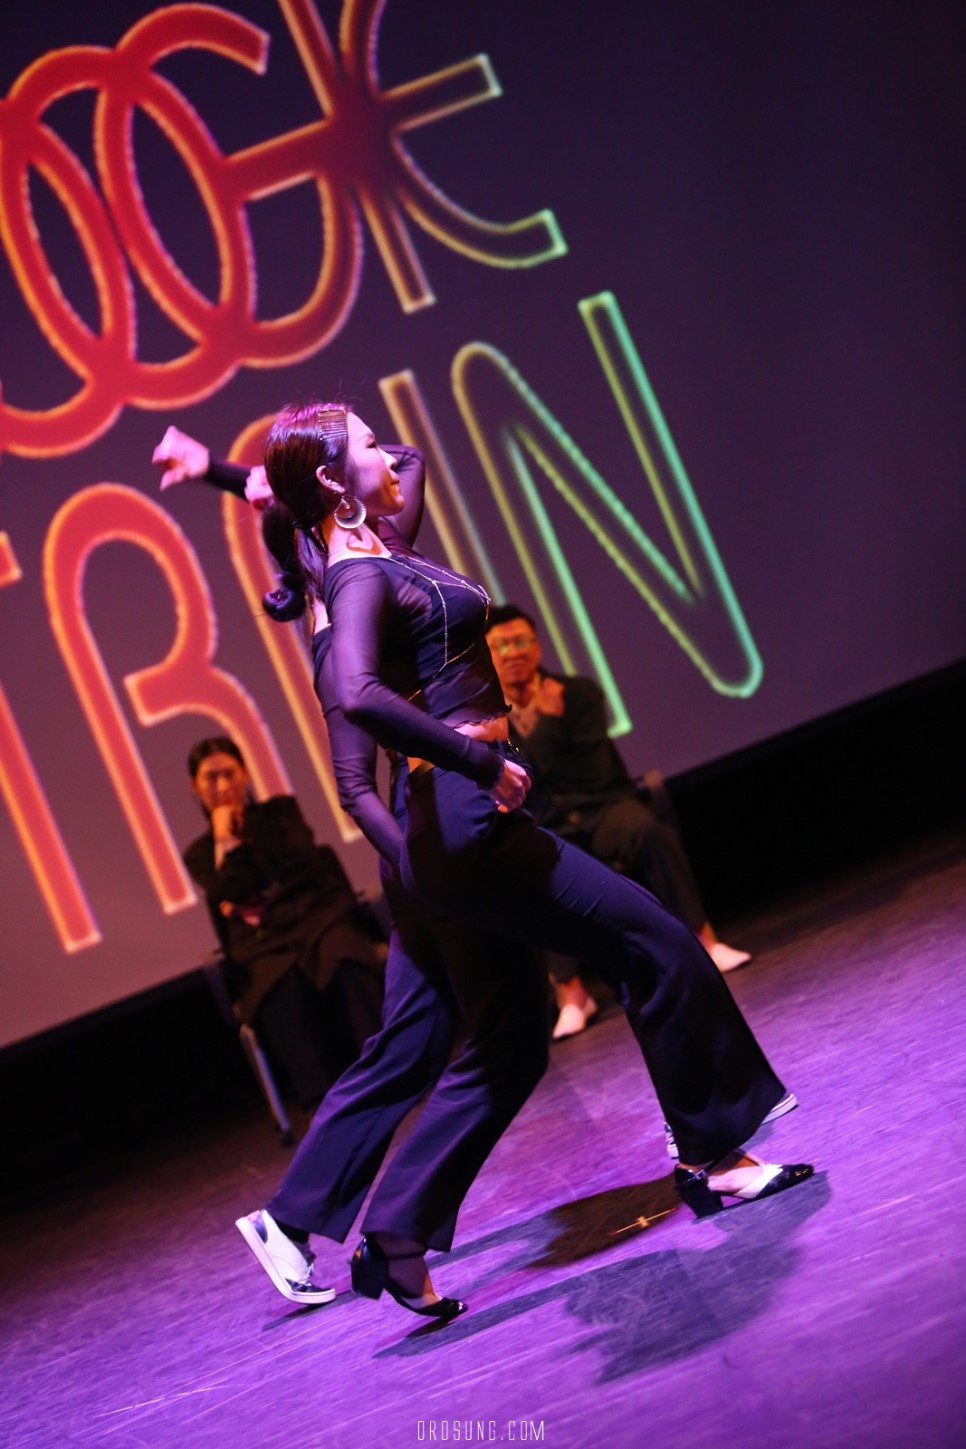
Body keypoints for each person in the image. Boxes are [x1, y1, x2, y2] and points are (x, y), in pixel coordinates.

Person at [251, 399, 813, 1316]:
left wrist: (331, 474)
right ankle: (715, 1155)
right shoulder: (355, 580)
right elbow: (355, 693)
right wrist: (478, 760)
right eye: (363, 441)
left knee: (512, 1038)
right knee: (653, 940)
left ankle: (396, 1232)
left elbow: (409, 461)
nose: (384, 449)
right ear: (328, 482)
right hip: (464, 814)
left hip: (457, 815)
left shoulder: (381, 551)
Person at [155, 426, 543, 1322]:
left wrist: (227, 472)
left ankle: (295, 1220)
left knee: (411, 1039)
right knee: (499, 1034)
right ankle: (369, 1226)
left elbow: (406, 462)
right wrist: (420, 866)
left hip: (426, 849)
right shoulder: (341, 631)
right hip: (423, 847)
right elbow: (354, 789)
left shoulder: (362, 576)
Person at [485, 605, 752, 1039]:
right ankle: (572, 995)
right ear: (486, 653)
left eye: (521, 641)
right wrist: (550, 725)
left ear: (537, 647)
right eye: (500, 645)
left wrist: (546, 743)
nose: (513, 652)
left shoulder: (579, 693)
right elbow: (522, 783)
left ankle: (705, 943)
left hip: (602, 807)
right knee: (529, 869)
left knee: (647, 830)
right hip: (548, 823)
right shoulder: (486, 716)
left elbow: (592, 772)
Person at [184, 736, 385, 1113]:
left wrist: (248, 891)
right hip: (264, 943)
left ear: (245, 774)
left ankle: (388, 1069)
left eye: (229, 773)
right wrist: (226, 840)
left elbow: (302, 863)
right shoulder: (199, 854)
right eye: (211, 777)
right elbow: (230, 887)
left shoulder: (280, 814)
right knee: (278, 982)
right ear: (194, 785)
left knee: (342, 952)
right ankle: (325, 1103)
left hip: (314, 919)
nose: (222, 785)